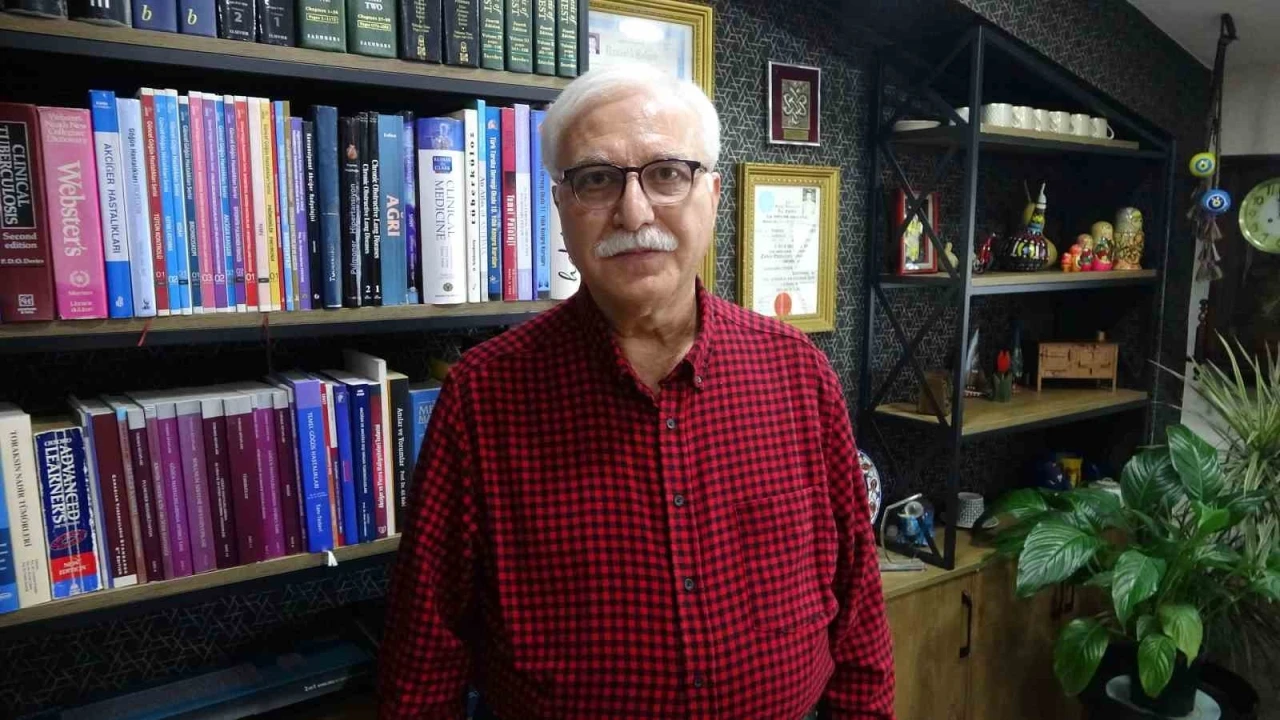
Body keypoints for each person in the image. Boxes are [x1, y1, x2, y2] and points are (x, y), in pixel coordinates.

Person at [379, 64, 895, 720]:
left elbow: (859, 615)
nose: (634, 211)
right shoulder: (483, 397)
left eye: (667, 173)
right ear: (560, 206)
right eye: (597, 179)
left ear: (712, 195)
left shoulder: (800, 376)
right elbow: (423, 662)